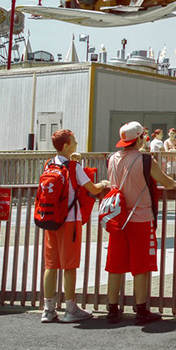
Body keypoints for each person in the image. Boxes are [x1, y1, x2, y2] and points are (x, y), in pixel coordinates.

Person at [105, 121, 176, 325]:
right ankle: (141, 310)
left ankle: (112, 310)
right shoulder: (145, 161)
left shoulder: (111, 159)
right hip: (141, 218)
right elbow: (167, 182)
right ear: (139, 139)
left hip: (117, 217)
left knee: (116, 265)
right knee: (141, 266)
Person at [40, 129, 111, 323]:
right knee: (69, 265)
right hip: (70, 220)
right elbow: (93, 189)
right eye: (74, 141)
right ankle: (70, 308)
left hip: (50, 220)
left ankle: (48, 308)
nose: (77, 142)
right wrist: (104, 183)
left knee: (51, 265)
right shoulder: (73, 167)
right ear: (66, 145)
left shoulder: (49, 164)